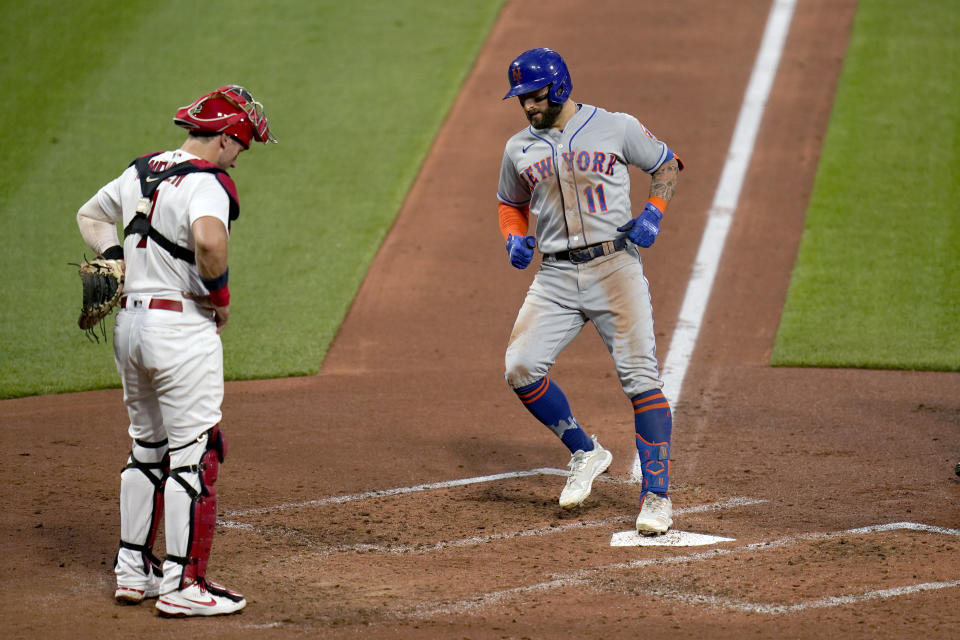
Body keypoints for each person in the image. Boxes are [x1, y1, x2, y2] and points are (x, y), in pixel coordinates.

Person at [76, 85, 276, 615]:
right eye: (241, 145)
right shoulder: (209, 182)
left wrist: (117, 257)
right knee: (195, 456)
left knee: (147, 447)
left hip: (131, 328)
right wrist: (222, 298)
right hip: (181, 329)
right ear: (226, 138)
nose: (240, 155)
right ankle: (184, 587)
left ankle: (131, 571)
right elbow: (209, 241)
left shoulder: (140, 170)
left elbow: (89, 215)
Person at [496, 48, 683, 535]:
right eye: (521, 99)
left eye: (534, 97)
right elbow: (509, 202)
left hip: (615, 266)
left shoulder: (616, 127)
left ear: (558, 87)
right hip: (555, 277)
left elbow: (666, 165)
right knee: (520, 367)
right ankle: (585, 451)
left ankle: (656, 498)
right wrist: (513, 238)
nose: (527, 107)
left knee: (641, 379)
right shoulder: (519, 147)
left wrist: (654, 214)